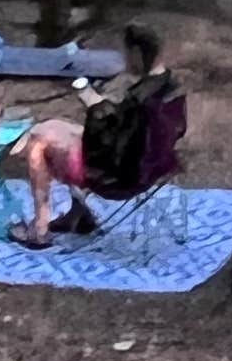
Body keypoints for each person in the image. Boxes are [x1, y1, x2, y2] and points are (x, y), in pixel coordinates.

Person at [16, 23, 167, 247]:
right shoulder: (167, 85)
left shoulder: (141, 98)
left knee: (39, 140)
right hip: (149, 164)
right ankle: (79, 215)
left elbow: (107, 128)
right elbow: (120, 124)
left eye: (126, 54)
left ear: (136, 53)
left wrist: (87, 96)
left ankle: (39, 229)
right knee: (56, 126)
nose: (125, 60)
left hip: (117, 175)